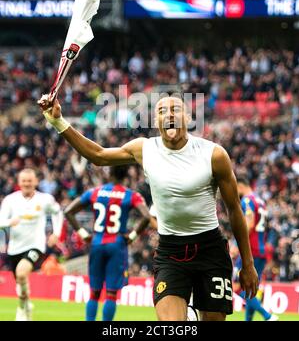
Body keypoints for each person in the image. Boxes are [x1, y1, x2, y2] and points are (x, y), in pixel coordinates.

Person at [38, 94, 258, 321]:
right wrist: (58, 122)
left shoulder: (214, 154)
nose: (169, 114)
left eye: (175, 109)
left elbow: (234, 210)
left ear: (188, 117)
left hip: (210, 249)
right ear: (156, 121)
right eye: (162, 111)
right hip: (171, 252)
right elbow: (98, 155)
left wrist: (248, 264)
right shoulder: (144, 149)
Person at [64, 165, 150, 321]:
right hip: (117, 244)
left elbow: (68, 211)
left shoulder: (94, 192)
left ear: (109, 174)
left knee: (94, 292)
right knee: (111, 293)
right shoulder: (131, 195)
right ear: (126, 177)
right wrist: (132, 235)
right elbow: (146, 216)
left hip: (97, 242)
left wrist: (83, 233)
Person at [0, 168, 63, 321]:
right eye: (24, 181)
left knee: (22, 273)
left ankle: (22, 308)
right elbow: (1, 221)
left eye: (30, 181)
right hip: (15, 248)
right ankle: (26, 302)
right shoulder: (10, 200)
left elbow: (58, 212)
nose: (27, 183)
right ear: (19, 182)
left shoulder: (45, 199)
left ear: (35, 181)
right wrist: (10, 222)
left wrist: (56, 233)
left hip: (36, 245)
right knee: (20, 280)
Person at [236, 176, 279, 321]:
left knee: (236, 286)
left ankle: (267, 316)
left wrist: (237, 245)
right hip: (261, 250)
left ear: (240, 186)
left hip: (249, 251)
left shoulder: (247, 200)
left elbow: (249, 222)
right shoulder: (260, 201)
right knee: (251, 288)